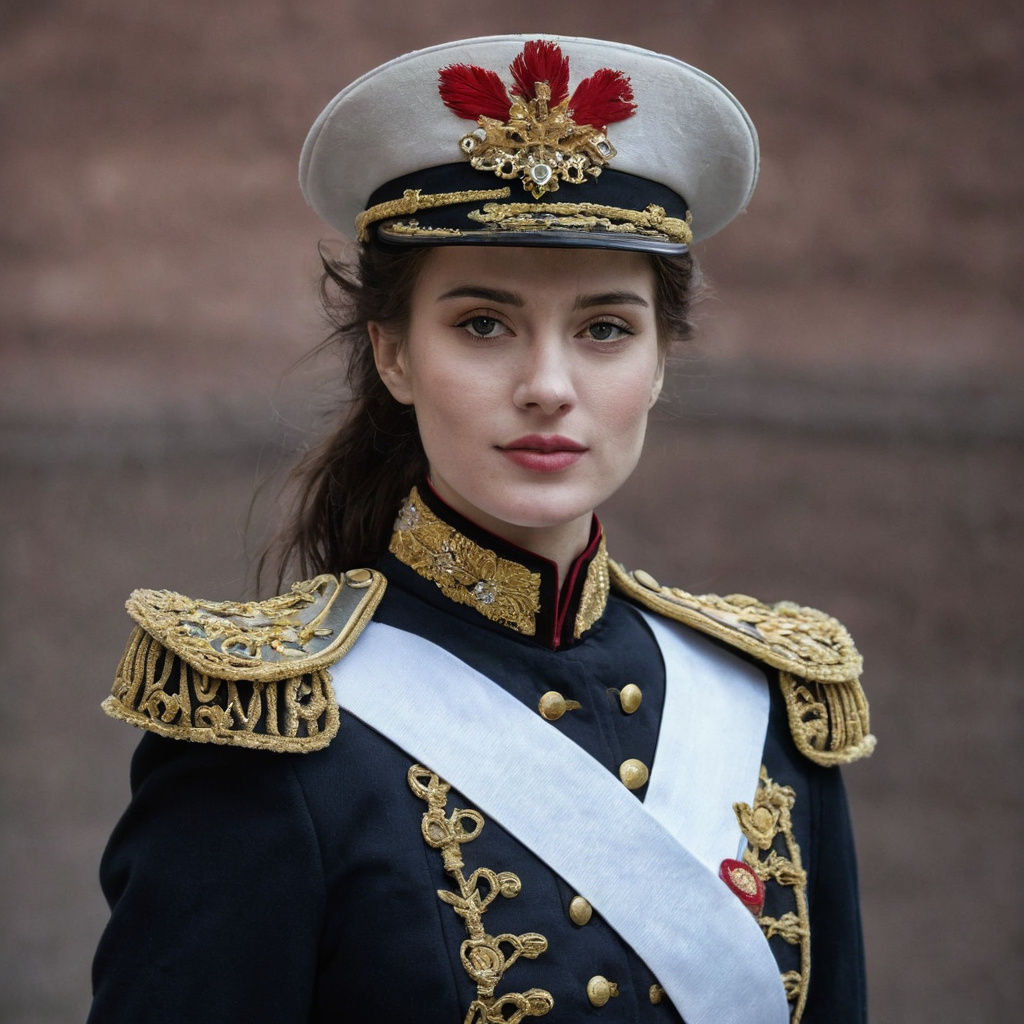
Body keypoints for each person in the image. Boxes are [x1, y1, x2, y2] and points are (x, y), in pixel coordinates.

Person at [89, 35, 874, 1024]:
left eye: (604, 329)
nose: (548, 387)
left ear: (661, 363)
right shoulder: (269, 736)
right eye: (482, 325)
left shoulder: (765, 706)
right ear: (393, 355)